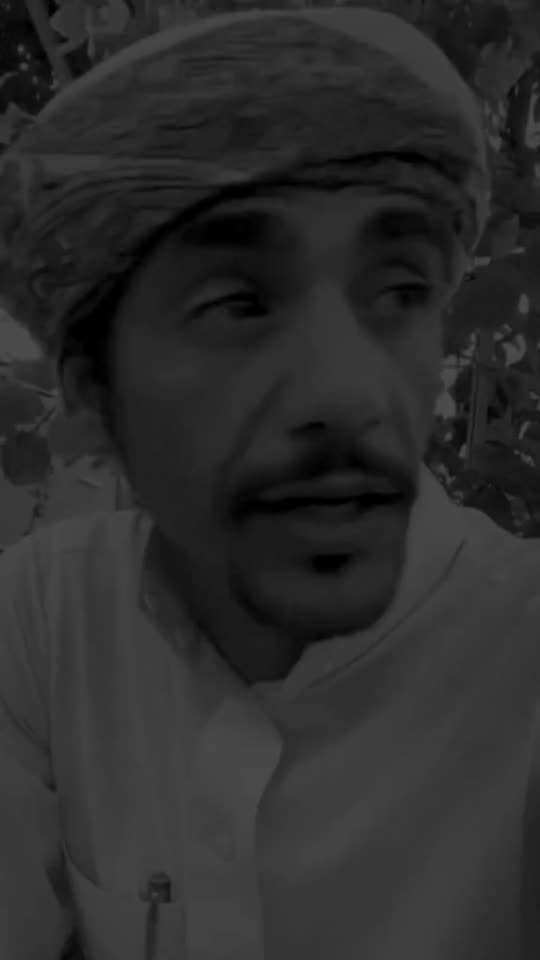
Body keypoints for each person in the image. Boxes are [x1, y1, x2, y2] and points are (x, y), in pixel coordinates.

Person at [0, 5, 538, 959]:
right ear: (94, 391)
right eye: (236, 304)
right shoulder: (49, 618)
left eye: (399, 292)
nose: (349, 393)